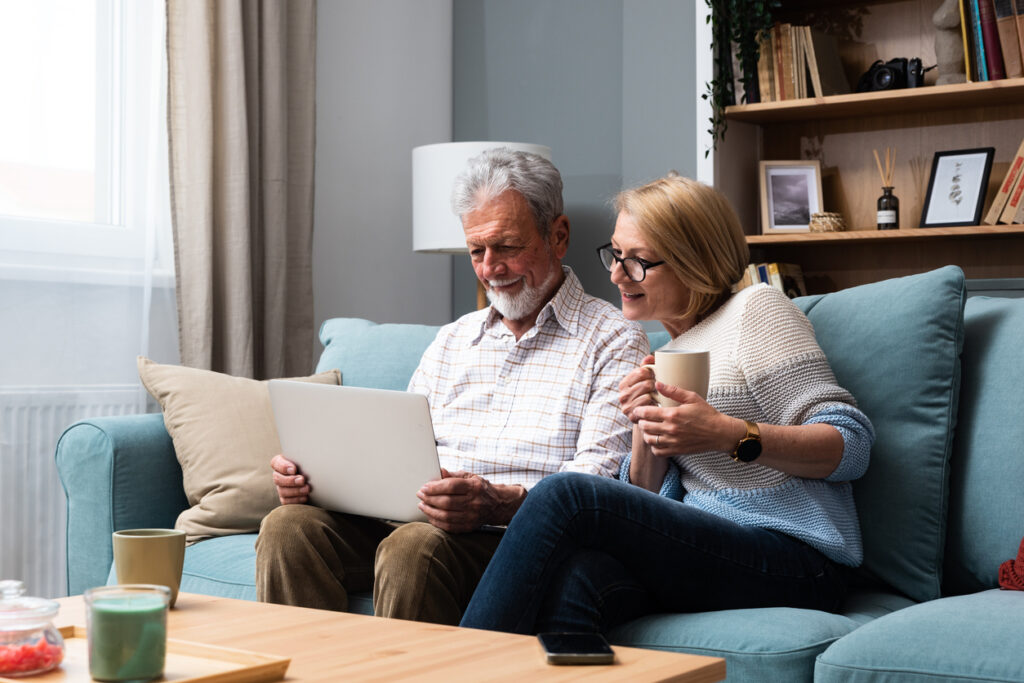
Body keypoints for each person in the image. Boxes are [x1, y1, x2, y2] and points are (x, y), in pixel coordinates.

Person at [460, 173, 875, 635]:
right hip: (706, 546)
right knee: (578, 581)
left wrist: (724, 433)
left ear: (693, 262)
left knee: (566, 494)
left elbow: (851, 445)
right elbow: (644, 494)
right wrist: (644, 425)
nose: (617, 275)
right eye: (615, 255)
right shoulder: (667, 352)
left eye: (637, 262)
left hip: (798, 557)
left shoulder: (756, 311)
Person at [254, 148, 648, 625]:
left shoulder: (612, 338)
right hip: (413, 520)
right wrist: (318, 479)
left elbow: (596, 484)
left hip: (513, 538)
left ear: (557, 236)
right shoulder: (454, 339)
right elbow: (392, 449)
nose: (490, 268)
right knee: (287, 528)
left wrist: (498, 501)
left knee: (414, 547)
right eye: (476, 251)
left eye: (506, 246)